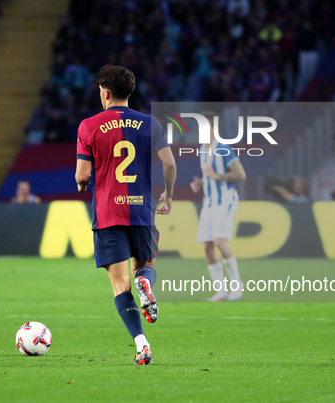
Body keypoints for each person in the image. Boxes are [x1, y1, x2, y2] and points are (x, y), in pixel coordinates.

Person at [75, 65, 176, 365]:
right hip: (142, 213)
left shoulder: (88, 126)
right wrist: (168, 195)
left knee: (120, 286)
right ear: (129, 92)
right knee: (144, 268)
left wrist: (83, 183)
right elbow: (169, 165)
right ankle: (145, 281)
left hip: (108, 215)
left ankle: (142, 344)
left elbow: (82, 174)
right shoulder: (151, 124)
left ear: (105, 93)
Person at [190, 112, 247, 302]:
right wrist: (201, 182)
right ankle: (221, 290)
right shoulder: (202, 149)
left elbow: (240, 174)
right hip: (210, 202)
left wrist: (217, 177)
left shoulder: (222, 148)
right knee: (207, 246)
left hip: (225, 200)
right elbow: (209, 176)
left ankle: (236, 286)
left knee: (220, 242)